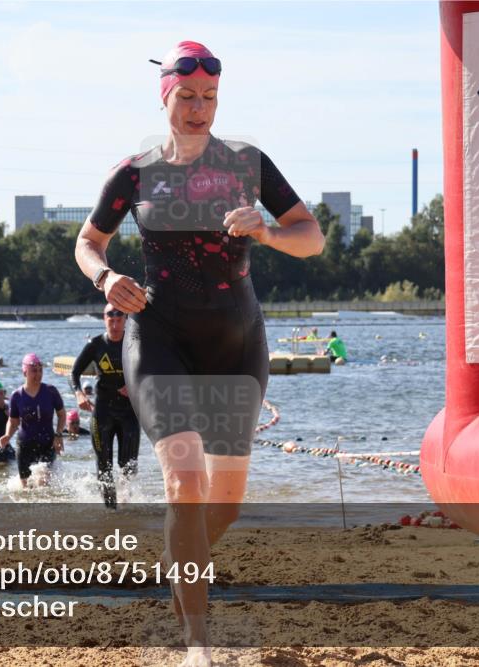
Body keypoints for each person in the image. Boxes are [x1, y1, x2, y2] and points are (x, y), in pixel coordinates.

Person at [74, 41, 323, 664]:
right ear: (166, 98)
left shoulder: (248, 163)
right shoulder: (134, 172)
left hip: (236, 340)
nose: (199, 109)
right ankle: (197, 646)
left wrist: (266, 229)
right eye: (187, 97)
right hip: (159, 335)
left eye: (210, 98)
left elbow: (310, 237)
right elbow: (88, 241)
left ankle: (178, 562)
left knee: (224, 504)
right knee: (184, 486)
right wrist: (106, 279)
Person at [70, 303, 141, 509]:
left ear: (125, 321)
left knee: (129, 466)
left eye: (120, 320)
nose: (115, 324)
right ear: (104, 319)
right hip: (103, 412)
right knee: (104, 466)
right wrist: (79, 394)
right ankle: (111, 512)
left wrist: (133, 383)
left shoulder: (134, 342)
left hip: (129, 412)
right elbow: (74, 373)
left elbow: (150, 370)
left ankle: (125, 499)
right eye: (111, 320)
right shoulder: (95, 345)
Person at [0, 353, 66, 487]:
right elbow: (13, 421)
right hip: (25, 446)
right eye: (34, 371)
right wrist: (7, 435)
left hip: (47, 444)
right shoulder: (17, 396)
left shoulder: (51, 391)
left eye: (40, 370)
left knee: (43, 482)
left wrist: (58, 434)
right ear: (25, 372)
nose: (38, 374)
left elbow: (62, 414)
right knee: (25, 488)